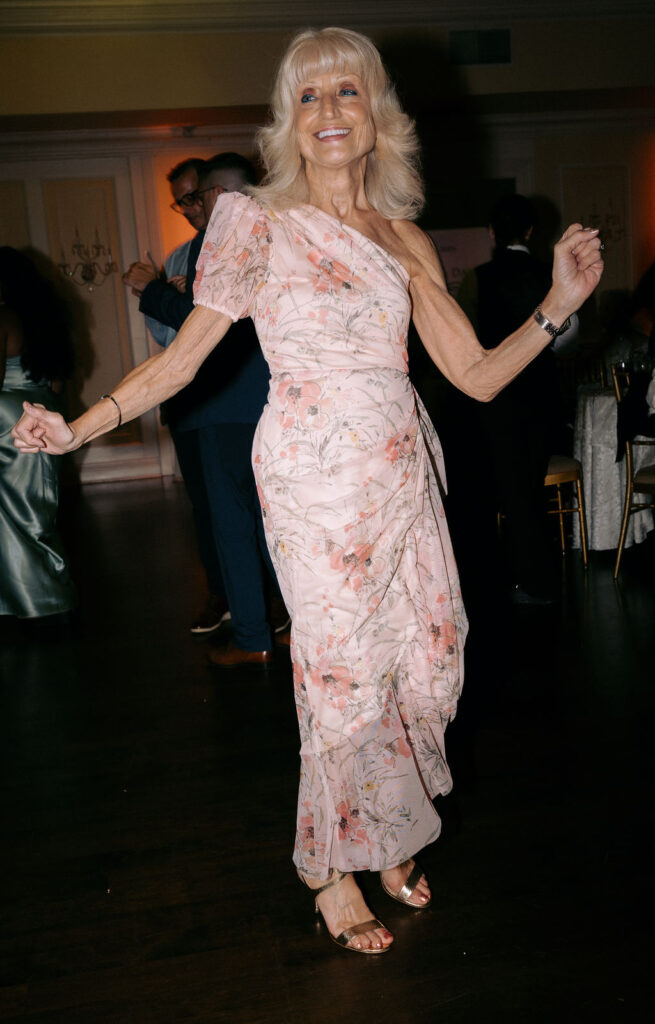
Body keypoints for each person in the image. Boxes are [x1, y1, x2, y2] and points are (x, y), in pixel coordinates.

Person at [12, 27, 603, 954]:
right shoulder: (256, 222)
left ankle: (392, 832)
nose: (328, 111)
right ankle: (330, 869)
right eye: (308, 97)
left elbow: (479, 375)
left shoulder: (402, 235)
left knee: (432, 657)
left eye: (347, 93)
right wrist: (77, 429)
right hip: (313, 477)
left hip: (403, 466)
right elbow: (184, 361)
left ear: (377, 118)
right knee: (342, 679)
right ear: (290, 121)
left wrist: (557, 307)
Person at [125, 153, 284, 662]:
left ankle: (253, 638)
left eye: (202, 196)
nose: (197, 207)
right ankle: (291, 628)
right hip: (271, 404)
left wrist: (151, 291)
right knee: (273, 524)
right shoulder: (279, 238)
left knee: (233, 526)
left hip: (219, 405)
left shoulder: (220, 247)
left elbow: (201, 325)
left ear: (220, 196)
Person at [123, 157, 229, 636]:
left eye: (195, 196)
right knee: (205, 504)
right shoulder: (180, 257)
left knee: (254, 500)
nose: (190, 208)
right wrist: (163, 295)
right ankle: (221, 595)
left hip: (241, 395)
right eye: (181, 201)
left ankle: (270, 601)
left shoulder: (245, 244)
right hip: (190, 397)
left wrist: (167, 295)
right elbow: (168, 335)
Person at [457, 194, 571, 604]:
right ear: (530, 231)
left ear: (491, 232)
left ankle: (520, 581)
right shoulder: (550, 276)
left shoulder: (477, 278)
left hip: (494, 397)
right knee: (528, 488)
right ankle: (533, 579)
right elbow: (568, 335)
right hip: (541, 395)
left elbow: (464, 339)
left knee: (503, 490)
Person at [0, 247, 77, 619]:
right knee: (36, 509)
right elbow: (59, 385)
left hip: (9, 418)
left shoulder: (2, 317)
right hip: (46, 411)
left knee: (14, 512)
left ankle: (33, 601)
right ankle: (45, 597)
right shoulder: (44, 317)